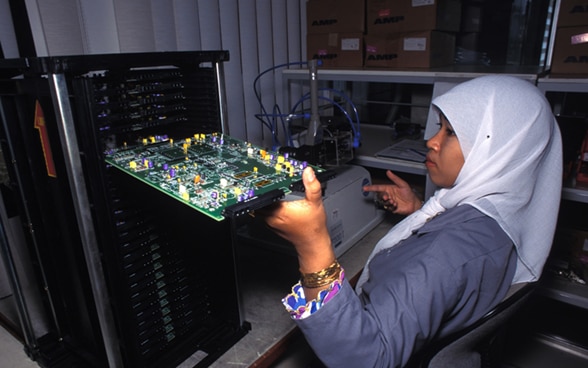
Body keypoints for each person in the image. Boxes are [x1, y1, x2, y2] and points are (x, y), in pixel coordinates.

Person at [260, 75, 563, 367]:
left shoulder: (447, 253)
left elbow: (366, 360)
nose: (431, 140)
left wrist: (312, 243)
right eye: (440, 127)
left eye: (451, 132)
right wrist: (421, 210)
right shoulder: (501, 219)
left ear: (500, 149)